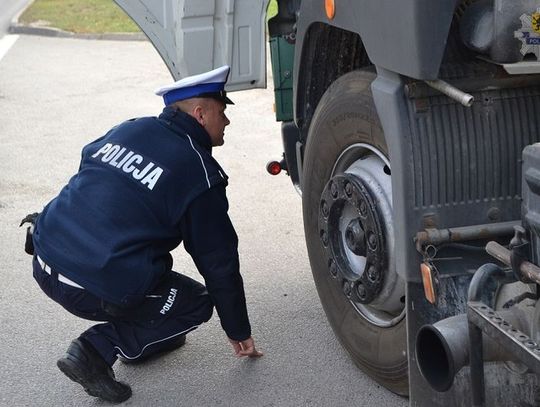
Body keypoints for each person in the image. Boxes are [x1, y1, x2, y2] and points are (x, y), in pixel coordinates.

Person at [27, 65, 262, 403]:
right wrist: (239, 330)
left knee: (157, 299)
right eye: (222, 113)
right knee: (194, 303)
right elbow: (218, 261)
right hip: (86, 285)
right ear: (200, 114)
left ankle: (139, 339)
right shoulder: (199, 172)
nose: (227, 122)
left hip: (44, 256)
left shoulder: (130, 128)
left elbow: (87, 169)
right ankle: (95, 349)